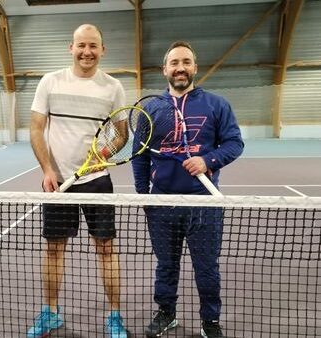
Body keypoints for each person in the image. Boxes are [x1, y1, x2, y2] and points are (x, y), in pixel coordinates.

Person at [132, 41, 244, 338]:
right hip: (162, 203)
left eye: (186, 62)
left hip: (203, 204)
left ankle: (210, 321)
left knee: (207, 268)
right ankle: (166, 313)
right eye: (174, 63)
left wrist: (208, 160)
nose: (180, 67)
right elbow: (140, 156)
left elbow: (235, 143)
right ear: (164, 69)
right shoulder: (151, 109)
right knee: (165, 265)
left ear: (195, 67)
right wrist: (144, 196)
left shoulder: (216, 104)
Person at [28, 24, 128, 338]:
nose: (87, 51)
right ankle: (50, 313)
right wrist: (47, 170)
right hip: (57, 183)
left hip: (97, 181)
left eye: (93, 46)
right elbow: (36, 127)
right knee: (54, 250)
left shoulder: (113, 88)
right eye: (81, 45)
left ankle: (114, 316)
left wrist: (104, 152)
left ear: (103, 50)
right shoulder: (50, 82)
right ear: (71, 47)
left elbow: (122, 134)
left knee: (106, 250)